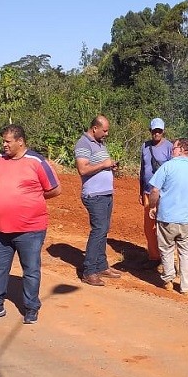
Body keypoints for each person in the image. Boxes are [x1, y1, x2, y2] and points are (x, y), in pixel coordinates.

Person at [0, 125, 61, 325]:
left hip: (30, 229)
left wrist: (32, 197)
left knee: (31, 270)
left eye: (7, 141)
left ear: (20, 141)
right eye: (3, 141)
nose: (3, 145)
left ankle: (31, 307)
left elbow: (55, 190)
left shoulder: (37, 161)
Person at [148, 138, 188, 294]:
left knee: (166, 250)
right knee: (186, 253)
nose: (171, 150)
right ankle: (186, 287)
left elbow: (154, 191)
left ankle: (168, 280)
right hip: (186, 220)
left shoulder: (167, 167)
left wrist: (152, 206)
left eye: (173, 148)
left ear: (181, 149)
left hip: (167, 218)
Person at [75, 115, 121, 286]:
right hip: (94, 195)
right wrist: (103, 165)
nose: (107, 134)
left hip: (105, 193)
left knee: (104, 230)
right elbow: (82, 169)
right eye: (105, 130)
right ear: (95, 128)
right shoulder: (83, 144)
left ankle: (101, 265)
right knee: (99, 230)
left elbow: (100, 164)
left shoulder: (99, 143)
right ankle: (89, 271)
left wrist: (110, 166)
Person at [139, 118, 172, 268]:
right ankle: (154, 257)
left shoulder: (170, 147)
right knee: (149, 227)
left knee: (164, 226)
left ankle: (167, 260)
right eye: (154, 130)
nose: (156, 133)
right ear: (150, 131)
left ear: (163, 131)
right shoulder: (145, 147)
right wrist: (140, 191)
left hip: (164, 193)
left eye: (159, 130)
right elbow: (142, 169)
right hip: (147, 192)